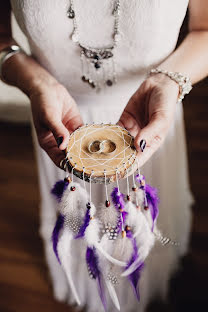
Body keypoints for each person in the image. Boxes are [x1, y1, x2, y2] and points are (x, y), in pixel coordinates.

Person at [0, 1, 208, 311]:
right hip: (62, 123)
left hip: (150, 120)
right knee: (80, 231)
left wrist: (169, 82)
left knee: (141, 232)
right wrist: (35, 81)